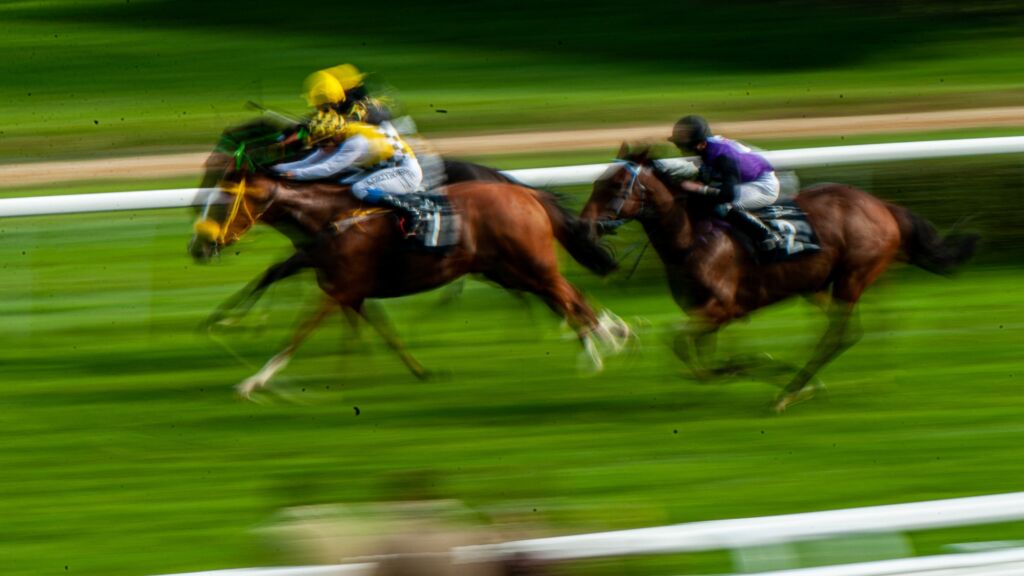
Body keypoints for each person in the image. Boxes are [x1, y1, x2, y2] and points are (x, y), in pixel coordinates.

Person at [273, 109, 431, 233]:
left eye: (322, 143)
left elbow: (327, 168)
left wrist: (295, 174)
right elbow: (310, 161)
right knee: (343, 184)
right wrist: (276, 168)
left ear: (334, 136)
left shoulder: (355, 143)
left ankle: (411, 211)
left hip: (406, 173)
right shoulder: (343, 133)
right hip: (391, 167)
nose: (320, 148)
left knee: (359, 189)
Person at [663, 115, 785, 256]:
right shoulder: (709, 148)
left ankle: (767, 235)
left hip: (763, 185)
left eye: (684, 146)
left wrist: (700, 188)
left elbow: (728, 195)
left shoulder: (723, 156)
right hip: (743, 181)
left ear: (701, 144)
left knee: (722, 205)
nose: (681, 150)